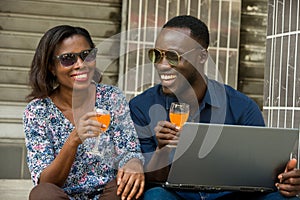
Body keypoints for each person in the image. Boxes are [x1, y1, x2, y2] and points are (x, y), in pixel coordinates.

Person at [129, 15, 300, 200]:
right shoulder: (141, 107)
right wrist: (163, 149)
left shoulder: (242, 107)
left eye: (172, 57)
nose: (162, 66)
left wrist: (285, 181)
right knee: (155, 196)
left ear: (201, 56)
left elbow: (263, 175)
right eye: (156, 55)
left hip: (232, 196)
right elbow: (151, 180)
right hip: (178, 196)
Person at [23, 25, 145, 200]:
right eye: (67, 59)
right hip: (63, 196)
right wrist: (73, 140)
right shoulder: (37, 112)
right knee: (42, 194)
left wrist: (134, 162)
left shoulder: (111, 97)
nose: (80, 65)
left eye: (87, 55)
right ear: (51, 67)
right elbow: (46, 181)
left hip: (108, 195)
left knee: (125, 186)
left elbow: (129, 149)